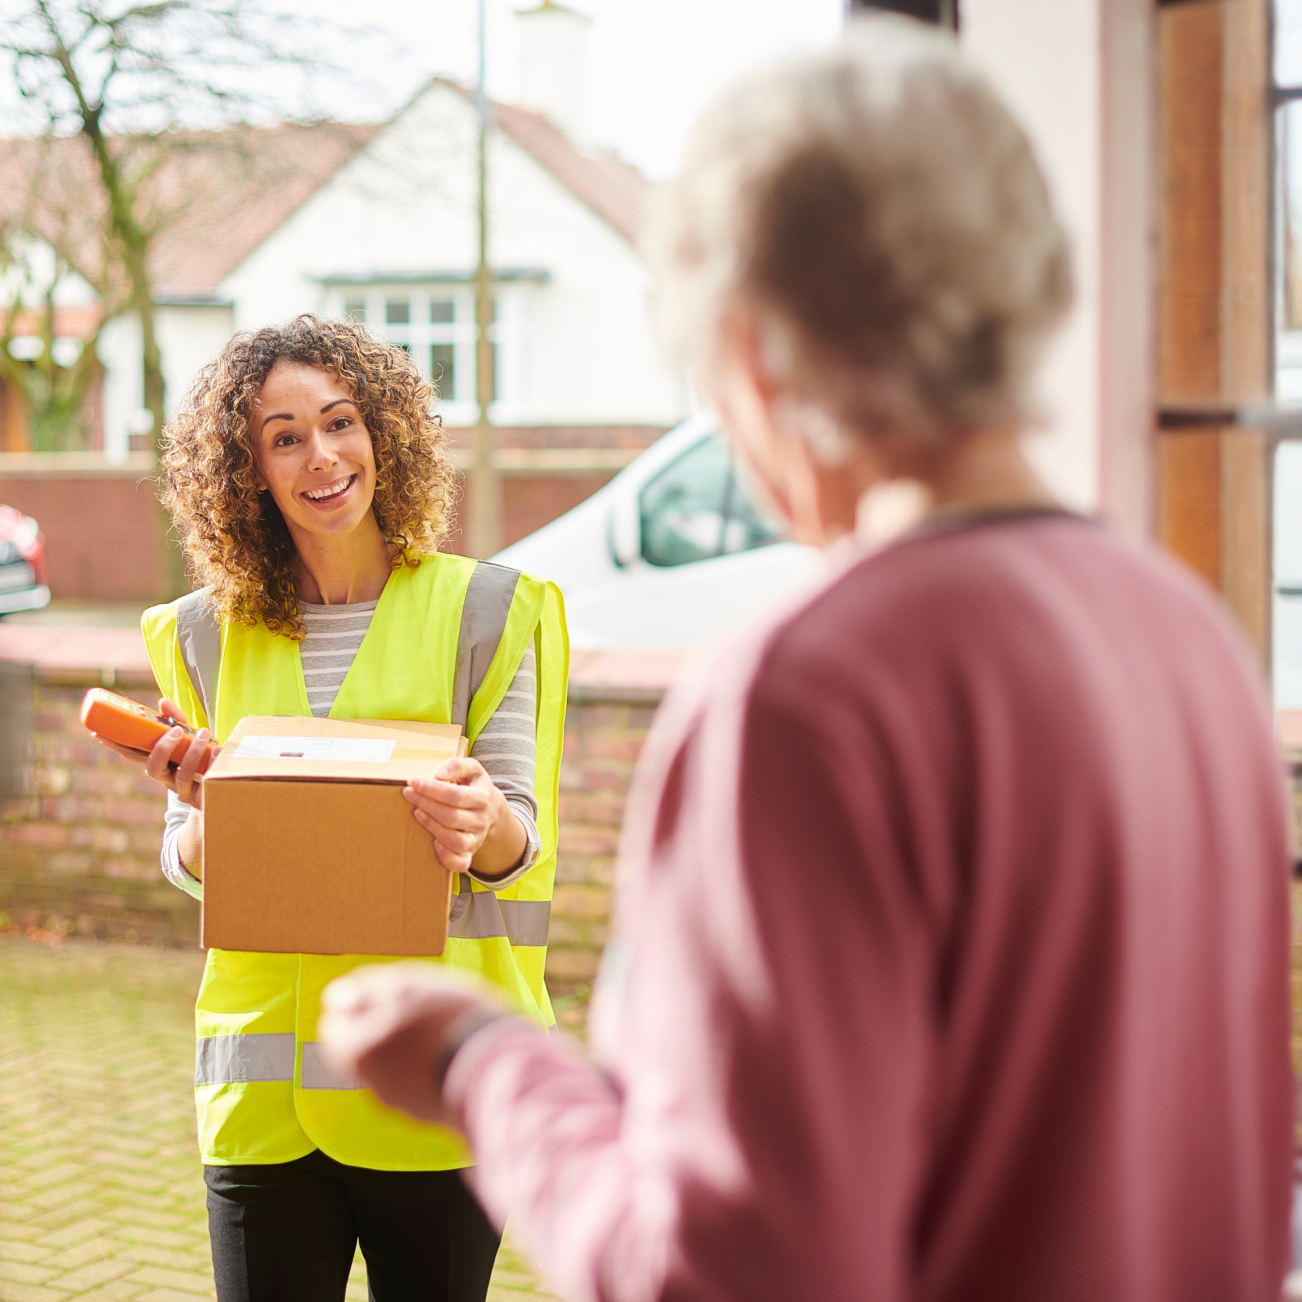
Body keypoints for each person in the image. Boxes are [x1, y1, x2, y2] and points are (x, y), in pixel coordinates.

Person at [318, 18, 1295, 1302]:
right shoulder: (1186, 636)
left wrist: (483, 1065)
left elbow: (727, 1271)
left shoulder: (804, 697)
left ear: (758, 355)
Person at [94, 314, 567, 1302]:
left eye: (340, 421)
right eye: (284, 436)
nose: (322, 456)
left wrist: (481, 827)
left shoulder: (489, 610)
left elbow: (521, 844)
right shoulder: (199, 636)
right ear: (247, 471)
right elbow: (187, 857)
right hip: (261, 1094)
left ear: (383, 435)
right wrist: (206, 819)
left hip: (433, 1080)